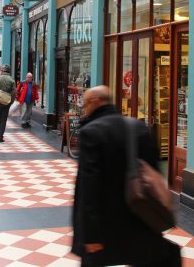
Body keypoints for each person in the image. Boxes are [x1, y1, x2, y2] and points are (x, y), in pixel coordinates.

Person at [72, 86, 181, 267]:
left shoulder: (91, 132)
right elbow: (154, 175)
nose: (85, 109)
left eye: (85, 105)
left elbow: (88, 188)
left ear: (95, 102)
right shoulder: (138, 127)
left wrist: (89, 236)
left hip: (105, 226)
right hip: (140, 219)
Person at [0, 64, 15, 143]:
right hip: (6, 102)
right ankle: (0, 136)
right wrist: (11, 102)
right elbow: (14, 92)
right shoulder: (11, 80)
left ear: (2, 70)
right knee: (4, 119)